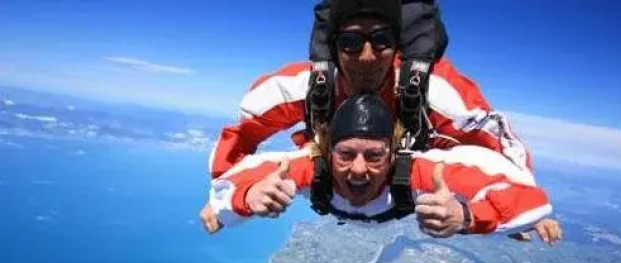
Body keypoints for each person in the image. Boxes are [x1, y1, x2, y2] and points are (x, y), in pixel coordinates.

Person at [200, 0, 561, 243]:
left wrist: (497, 210)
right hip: (329, 158)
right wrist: (227, 199)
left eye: (382, 40)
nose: (367, 56)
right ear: (334, 47)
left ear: (398, 44)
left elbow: (493, 143)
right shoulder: (298, 87)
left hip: (413, 158)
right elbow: (242, 135)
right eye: (351, 42)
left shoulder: (436, 89)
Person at [201, 94, 554, 241]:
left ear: (395, 154)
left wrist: (469, 215)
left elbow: (527, 195)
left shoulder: (423, 171)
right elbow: (228, 184)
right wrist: (245, 199)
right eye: (345, 154)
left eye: (374, 156)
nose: (358, 169)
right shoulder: (305, 167)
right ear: (327, 151)